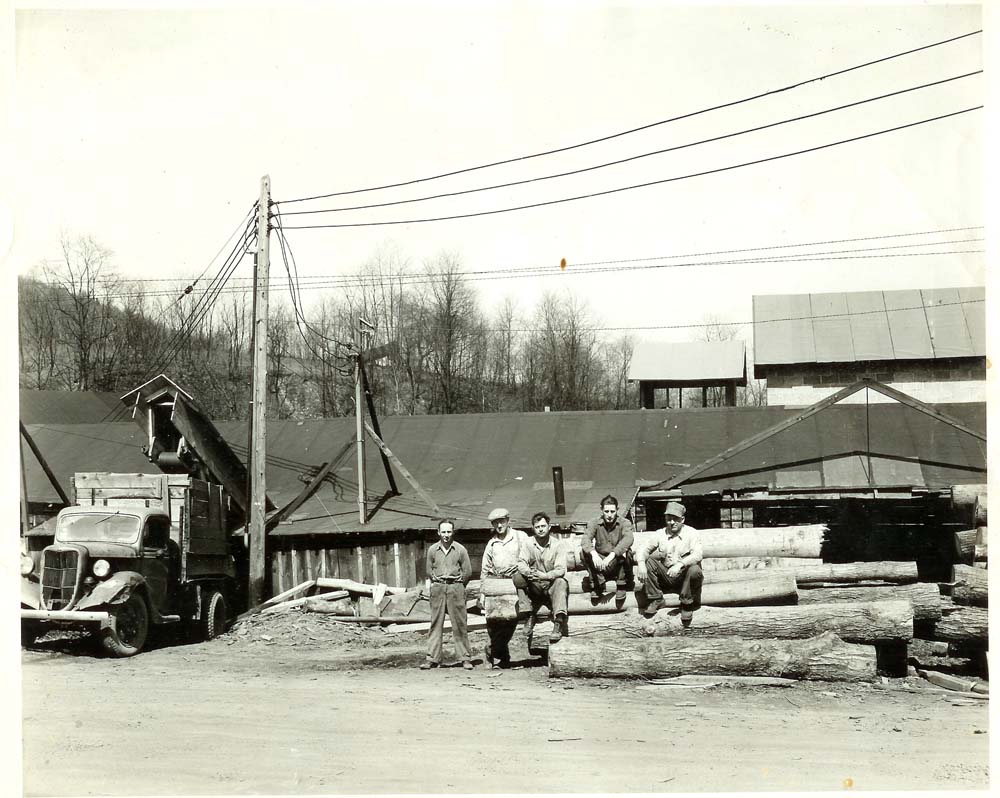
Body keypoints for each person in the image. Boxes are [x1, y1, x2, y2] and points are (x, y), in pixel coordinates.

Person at [636, 501, 703, 623]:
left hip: (684, 577)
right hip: (667, 576)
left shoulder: (692, 533)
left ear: (682, 520)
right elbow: (643, 549)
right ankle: (656, 599)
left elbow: (697, 555)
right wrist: (641, 564)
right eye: (668, 519)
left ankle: (687, 604)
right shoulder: (660, 534)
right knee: (648, 562)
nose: (672, 522)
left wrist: (680, 564)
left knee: (695, 570)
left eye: (675, 519)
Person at [421, 519, 474, 670]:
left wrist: (458, 583)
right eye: (443, 532)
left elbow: (467, 572)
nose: (446, 535)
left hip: (455, 588)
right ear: (438, 532)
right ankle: (432, 658)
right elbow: (428, 570)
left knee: (459, 624)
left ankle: (465, 658)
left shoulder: (460, 550)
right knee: (435, 624)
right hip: (438, 588)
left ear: (453, 532)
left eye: (449, 532)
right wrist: (436, 580)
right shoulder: (432, 550)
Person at [479, 507, 529, 668]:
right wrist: (482, 593)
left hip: (516, 583)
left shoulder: (520, 537)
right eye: (496, 523)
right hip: (496, 585)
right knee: (494, 622)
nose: (499, 525)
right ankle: (502, 656)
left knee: (511, 620)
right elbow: (485, 569)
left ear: (508, 521)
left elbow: (531, 556)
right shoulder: (492, 543)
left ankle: (493, 650)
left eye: (502, 521)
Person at [515, 512, 569, 645]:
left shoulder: (558, 545)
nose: (541, 529)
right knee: (518, 578)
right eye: (537, 526)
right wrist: (529, 573)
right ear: (533, 528)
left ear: (549, 527)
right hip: (535, 587)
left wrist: (545, 575)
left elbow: (561, 569)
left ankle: (558, 622)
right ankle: (529, 615)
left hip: (551, 585)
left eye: (543, 526)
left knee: (561, 582)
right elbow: (521, 563)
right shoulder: (528, 543)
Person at [581, 494, 636, 601]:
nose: (609, 515)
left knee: (628, 552)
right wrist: (593, 554)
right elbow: (585, 539)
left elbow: (628, 539)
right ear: (601, 510)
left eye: (612, 511)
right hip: (600, 564)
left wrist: (612, 555)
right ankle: (596, 584)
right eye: (606, 512)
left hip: (617, 562)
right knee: (583, 553)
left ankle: (621, 584)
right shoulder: (594, 523)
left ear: (617, 510)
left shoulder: (625, 523)